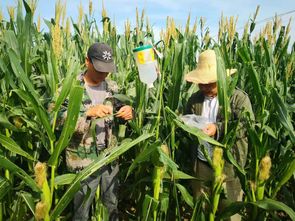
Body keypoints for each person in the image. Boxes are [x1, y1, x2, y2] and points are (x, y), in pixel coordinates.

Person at [62, 42, 133, 221]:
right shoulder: (71, 86)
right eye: (100, 69)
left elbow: (123, 106)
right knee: (81, 211)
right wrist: (87, 114)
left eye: (107, 69)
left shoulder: (112, 87)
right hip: (82, 162)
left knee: (111, 206)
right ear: (87, 61)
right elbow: (55, 119)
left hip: (110, 159)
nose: (104, 74)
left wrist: (128, 111)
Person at [184, 49, 254, 221]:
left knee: (229, 213)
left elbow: (247, 126)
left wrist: (218, 129)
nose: (205, 87)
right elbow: (186, 120)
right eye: (202, 83)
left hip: (229, 166)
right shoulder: (194, 100)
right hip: (201, 165)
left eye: (210, 83)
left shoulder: (238, 99)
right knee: (202, 210)